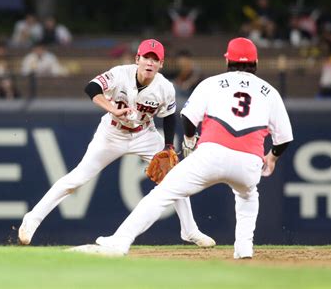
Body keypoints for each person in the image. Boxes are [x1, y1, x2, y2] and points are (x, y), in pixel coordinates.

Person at [79, 38, 293, 259]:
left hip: (212, 154)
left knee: (162, 194)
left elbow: (188, 117)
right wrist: (272, 157)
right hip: (250, 160)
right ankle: (244, 248)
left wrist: (190, 142)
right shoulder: (270, 92)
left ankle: (120, 241)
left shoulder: (212, 83)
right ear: (256, 62)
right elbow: (284, 138)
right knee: (248, 196)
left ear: (227, 60)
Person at [18, 39, 215, 248]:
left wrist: (167, 146)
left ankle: (189, 230)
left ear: (161, 64)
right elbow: (91, 88)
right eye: (146, 57)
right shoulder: (120, 73)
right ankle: (33, 219)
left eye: (155, 60)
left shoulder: (165, 87)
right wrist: (112, 108)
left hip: (144, 134)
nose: (150, 63)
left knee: (174, 177)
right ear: (137, 59)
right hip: (112, 133)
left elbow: (168, 117)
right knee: (77, 178)